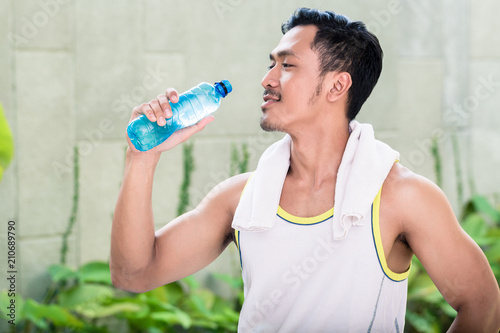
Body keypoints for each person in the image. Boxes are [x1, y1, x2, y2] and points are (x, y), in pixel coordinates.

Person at [110, 7, 500, 332]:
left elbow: (482, 304)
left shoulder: (401, 197)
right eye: (271, 64)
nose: (267, 79)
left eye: (288, 65)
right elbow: (134, 274)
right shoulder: (242, 198)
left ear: (336, 86)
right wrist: (142, 159)